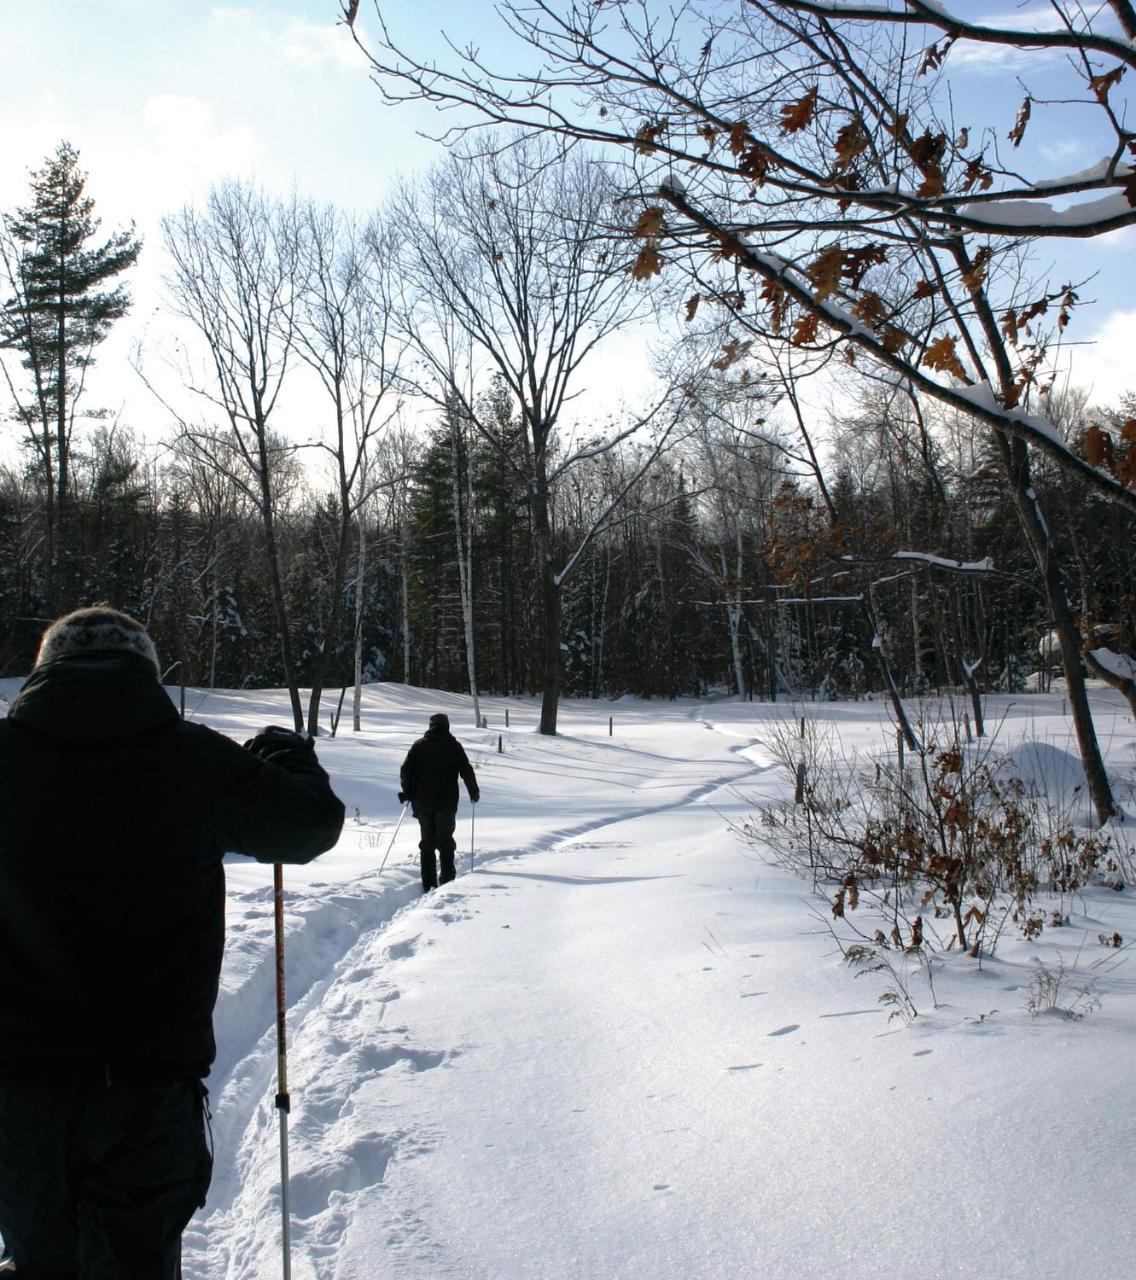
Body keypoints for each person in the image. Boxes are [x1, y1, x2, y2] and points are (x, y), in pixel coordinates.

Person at [0, 606, 345, 1279]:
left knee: (41, 1255)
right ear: (146, 672)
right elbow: (306, 826)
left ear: (45, 670)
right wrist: (288, 756)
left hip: (17, 1091)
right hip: (146, 1092)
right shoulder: (191, 757)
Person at [399, 712, 480, 892]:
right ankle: (447, 881)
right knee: (445, 840)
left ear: (430, 726)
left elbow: (405, 770)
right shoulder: (454, 746)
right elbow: (466, 770)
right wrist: (473, 791)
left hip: (422, 802)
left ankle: (428, 883)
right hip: (447, 802)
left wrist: (408, 792)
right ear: (447, 726)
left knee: (427, 841)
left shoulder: (419, 746)